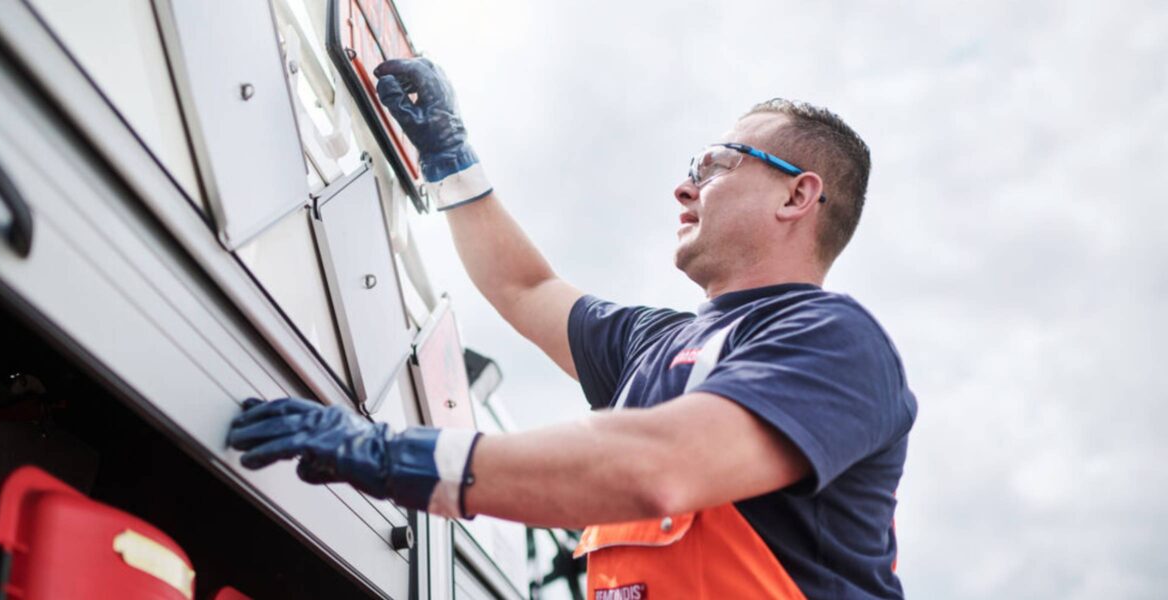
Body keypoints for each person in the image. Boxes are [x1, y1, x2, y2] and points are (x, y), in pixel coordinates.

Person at [228, 58, 917, 599]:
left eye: (713, 165)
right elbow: (525, 288)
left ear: (798, 195)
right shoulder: (653, 346)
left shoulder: (832, 340)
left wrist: (395, 456)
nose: (683, 188)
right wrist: (452, 160)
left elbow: (662, 466)